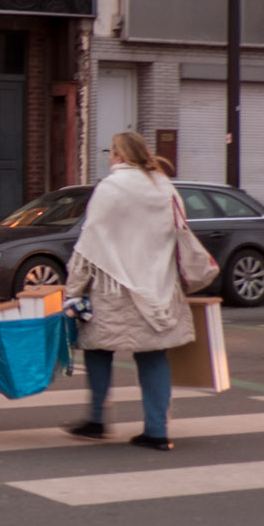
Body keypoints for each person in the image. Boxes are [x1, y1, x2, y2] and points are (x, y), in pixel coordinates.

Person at [62, 132, 195, 451]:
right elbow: (179, 233)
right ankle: (157, 430)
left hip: (112, 287)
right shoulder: (164, 186)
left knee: (98, 349)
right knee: (152, 354)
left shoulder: (111, 188)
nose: (109, 157)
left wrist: (73, 290)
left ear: (120, 155)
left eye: (111, 152)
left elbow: (89, 244)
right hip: (156, 285)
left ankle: (96, 419)